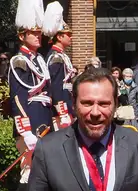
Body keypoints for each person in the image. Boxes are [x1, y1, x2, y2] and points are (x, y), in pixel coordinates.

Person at [7, 0, 52, 191]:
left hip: (43, 124)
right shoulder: (19, 61)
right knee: (29, 175)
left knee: (41, 178)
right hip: (31, 127)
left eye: (38, 31)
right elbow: (19, 98)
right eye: (34, 32)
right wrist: (26, 132)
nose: (39, 36)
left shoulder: (38, 60)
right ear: (22, 35)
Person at [45, 1, 76, 131]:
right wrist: (62, 112)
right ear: (59, 36)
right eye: (68, 35)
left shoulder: (61, 55)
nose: (71, 38)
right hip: (61, 109)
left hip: (67, 102)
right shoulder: (56, 58)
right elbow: (56, 86)